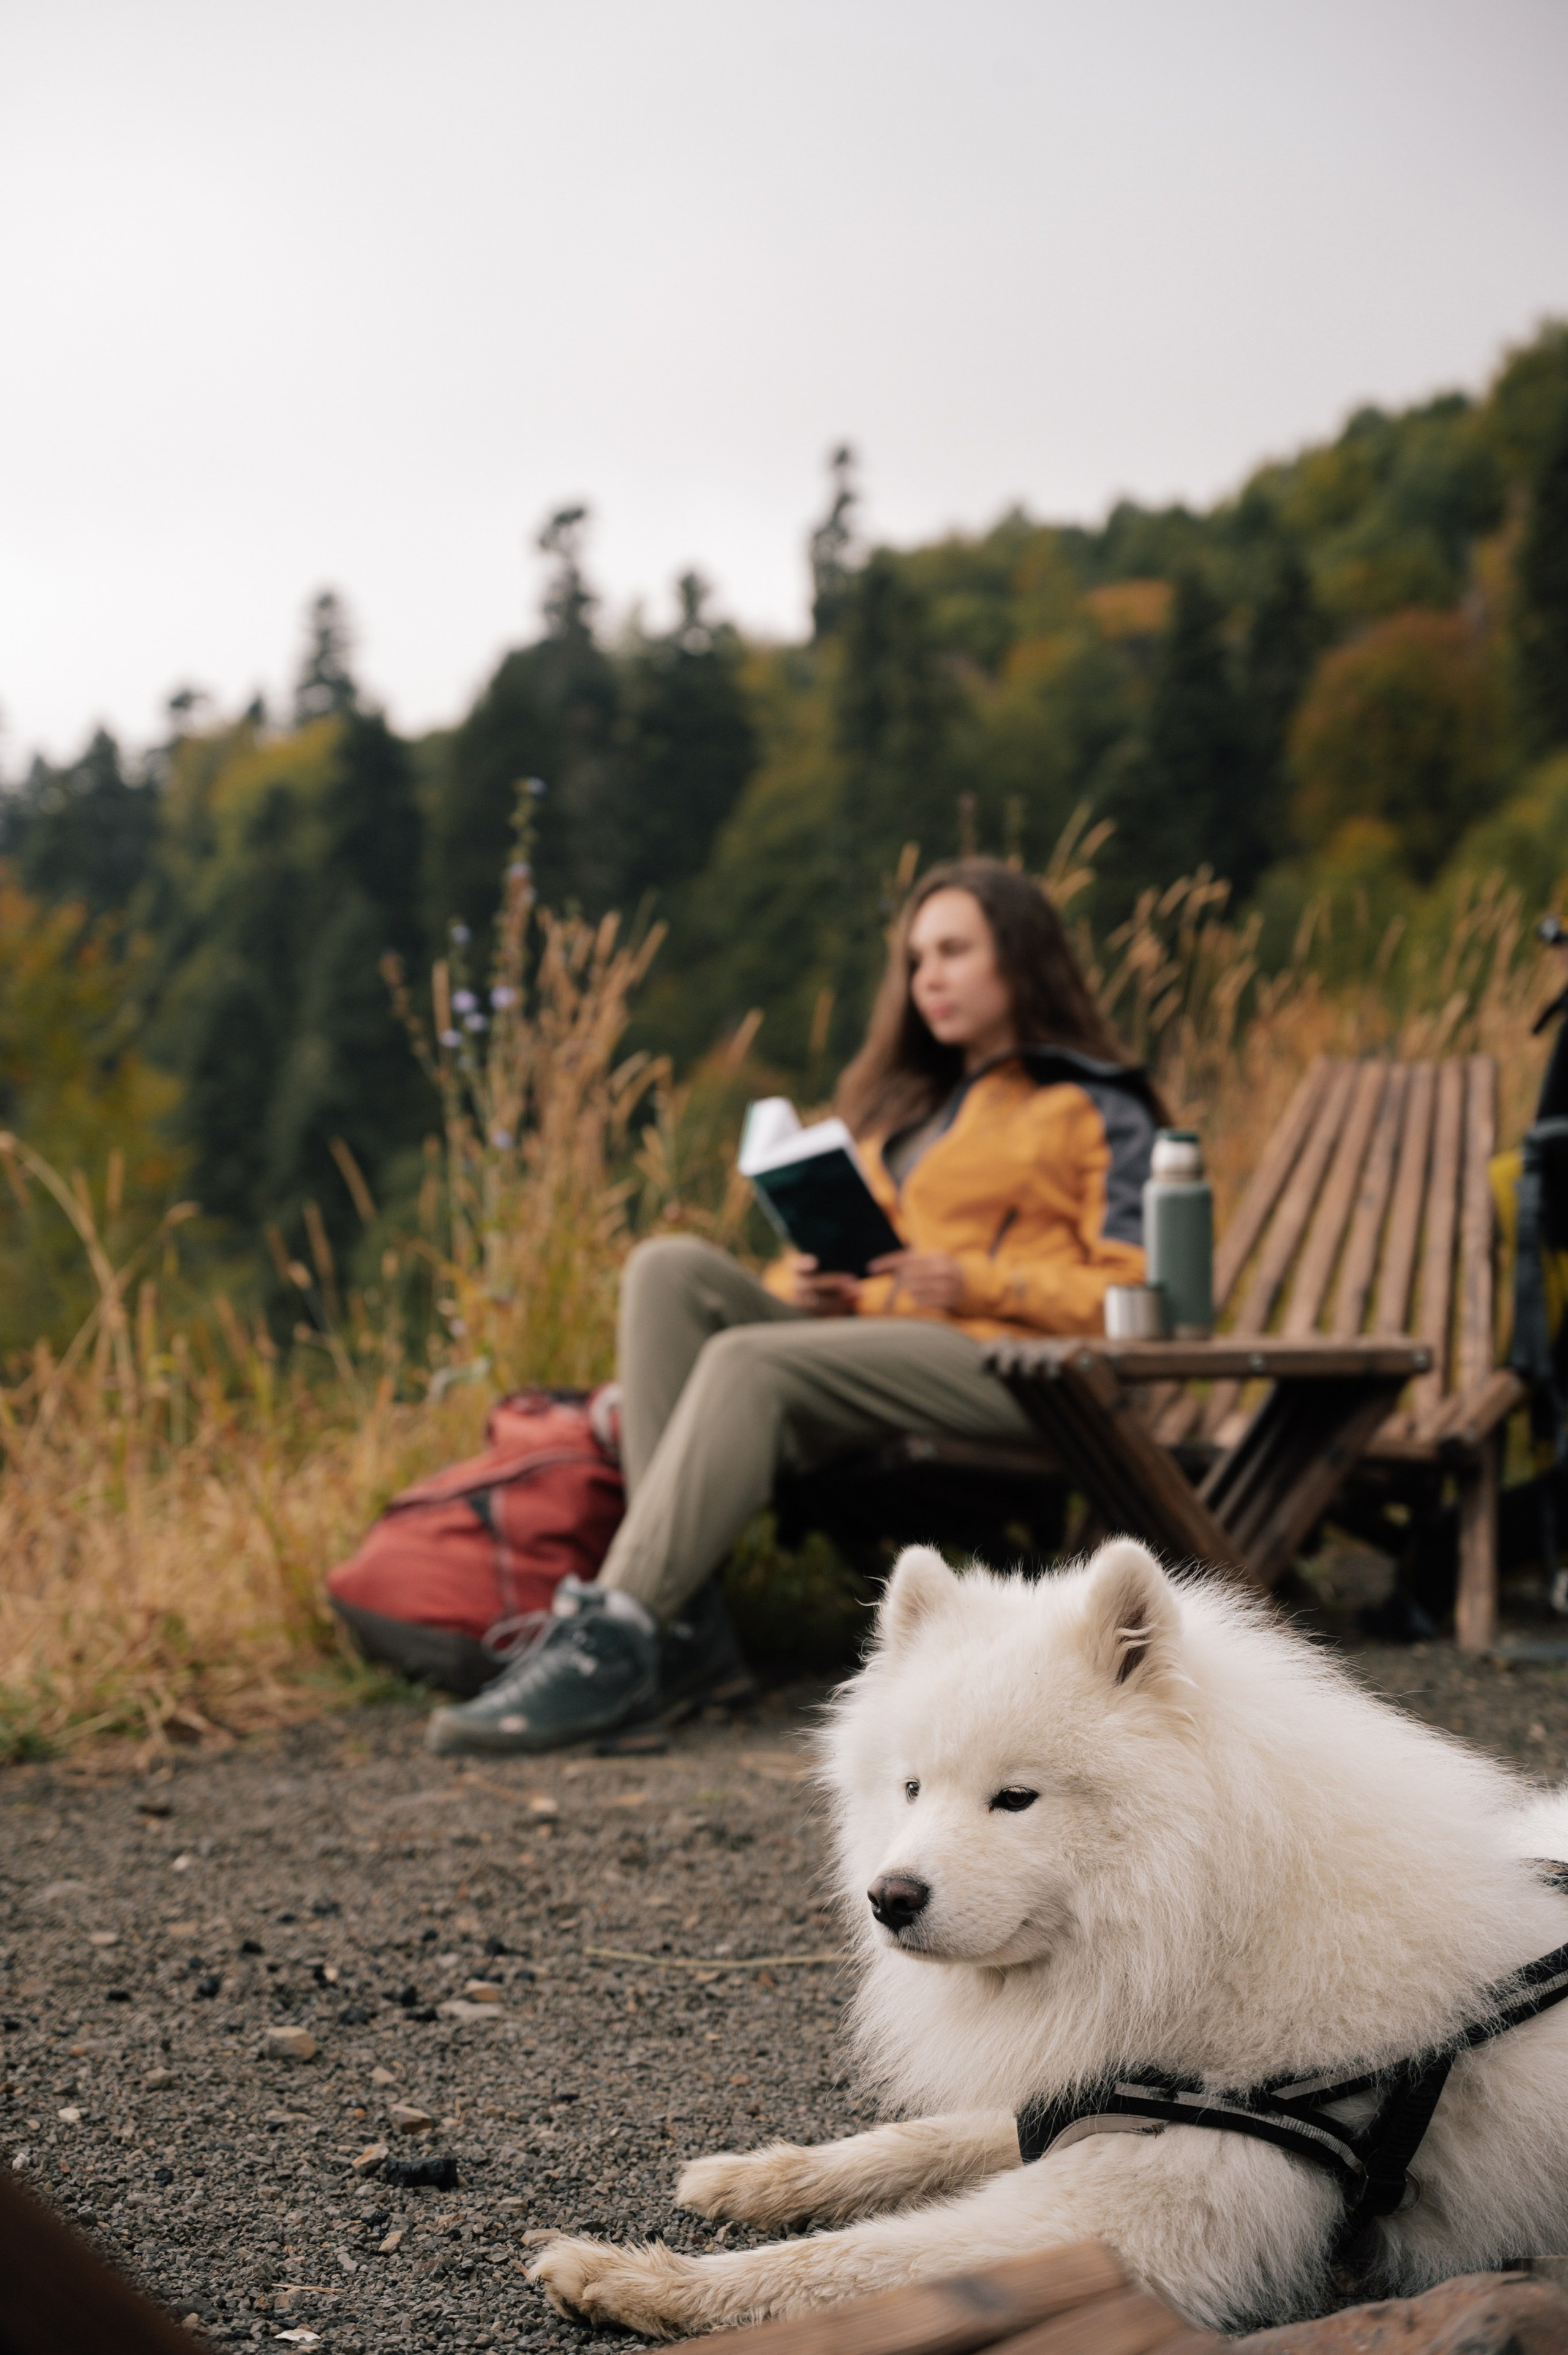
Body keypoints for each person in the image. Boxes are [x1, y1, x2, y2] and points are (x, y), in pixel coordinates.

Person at [427, 858, 1164, 1755]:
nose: (928, 974)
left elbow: (1137, 1294)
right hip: (872, 1349)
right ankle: (689, 1630)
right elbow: (841, 1258)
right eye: (917, 956)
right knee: (669, 1269)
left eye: (955, 950)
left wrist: (974, 1281)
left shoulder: (1094, 1103)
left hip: (1021, 1372)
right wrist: (799, 1289)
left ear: (1022, 958)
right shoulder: (899, 1107)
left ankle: (612, 1640)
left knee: (748, 1363)